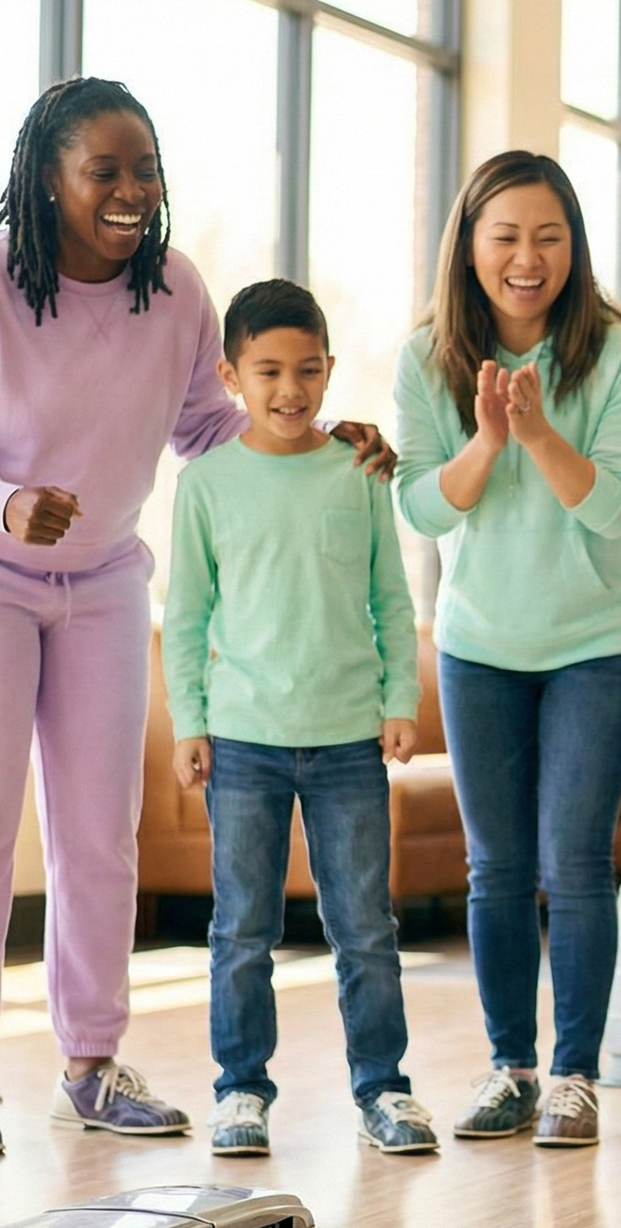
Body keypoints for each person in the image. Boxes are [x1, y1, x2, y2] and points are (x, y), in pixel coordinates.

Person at [0, 77, 393, 1155]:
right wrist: (3, 500)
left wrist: (314, 440)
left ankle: (91, 1062)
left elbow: (210, 426)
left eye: (144, 170)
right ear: (47, 179)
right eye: (102, 171)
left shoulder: (175, 290)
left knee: (99, 834)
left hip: (105, 580)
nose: (129, 192)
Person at [394, 151, 621, 1148]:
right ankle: (509, 1069)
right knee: (496, 867)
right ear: (469, 246)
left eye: (549, 236)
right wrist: (486, 443)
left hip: (598, 640)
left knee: (577, 863)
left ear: (574, 247)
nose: (527, 257)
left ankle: (574, 1077)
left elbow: (615, 507)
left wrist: (540, 432)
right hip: (480, 645)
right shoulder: (426, 357)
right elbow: (421, 502)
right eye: (505, 236)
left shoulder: (616, 356)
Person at [164, 280, 433, 1158]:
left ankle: (383, 1089)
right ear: (231, 375)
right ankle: (240, 1089)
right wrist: (189, 723)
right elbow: (190, 615)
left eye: (308, 370)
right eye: (269, 371)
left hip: (350, 738)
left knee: (365, 929)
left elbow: (391, 598)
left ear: (330, 371)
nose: (291, 389)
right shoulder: (206, 484)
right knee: (241, 930)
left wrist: (400, 702)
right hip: (242, 743)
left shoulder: (359, 473)